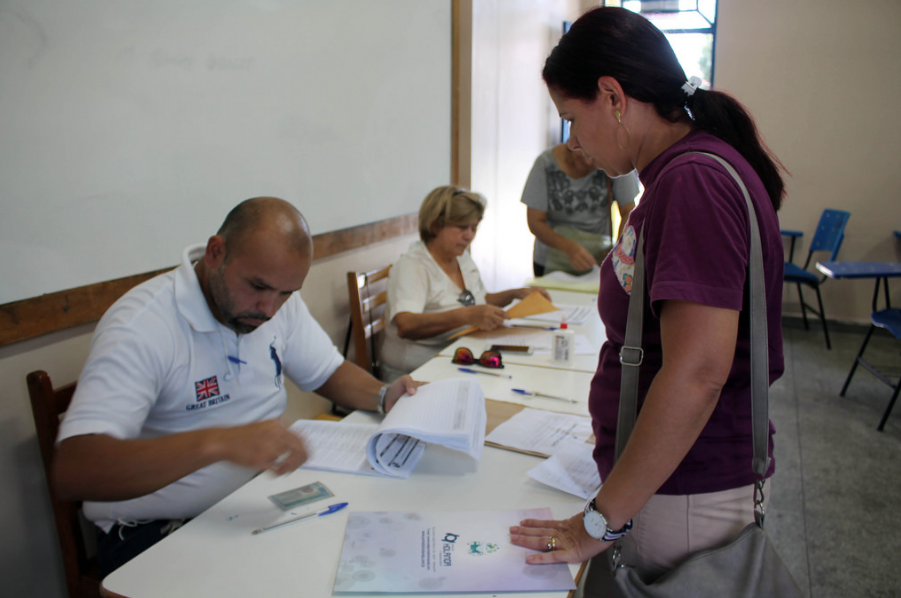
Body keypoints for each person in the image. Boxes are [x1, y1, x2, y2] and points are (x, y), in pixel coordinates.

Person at [508, 6, 787, 591]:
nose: (574, 141)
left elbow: (697, 372)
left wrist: (595, 525)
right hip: (671, 477)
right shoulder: (680, 174)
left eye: (571, 118)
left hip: (685, 487)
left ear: (611, 96)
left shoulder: (692, 181)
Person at [53, 197, 421, 574]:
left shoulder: (276, 300)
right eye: (258, 287)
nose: (268, 309)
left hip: (253, 499)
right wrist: (220, 442)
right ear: (216, 252)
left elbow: (327, 371)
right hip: (156, 530)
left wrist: (382, 394)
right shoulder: (143, 326)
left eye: (285, 294)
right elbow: (74, 471)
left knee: (365, 554)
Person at [380, 185, 551, 380]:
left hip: (458, 354)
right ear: (435, 225)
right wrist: (468, 315)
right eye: (462, 227)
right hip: (416, 371)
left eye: (474, 228)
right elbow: (406, 325)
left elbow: (480, 300)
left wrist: (515, 294)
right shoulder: (412, 266)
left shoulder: (460, 257)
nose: (469, 236)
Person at [522, 143, 639, 276]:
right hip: (551, 260)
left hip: (598, 259)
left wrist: (619, 255)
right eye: (582, 153)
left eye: (595, 157)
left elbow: (628, 213)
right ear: (573, 140)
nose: (589, 162)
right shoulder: (545, 164)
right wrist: (570, 248)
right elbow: (535, 222)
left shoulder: (614, 162)